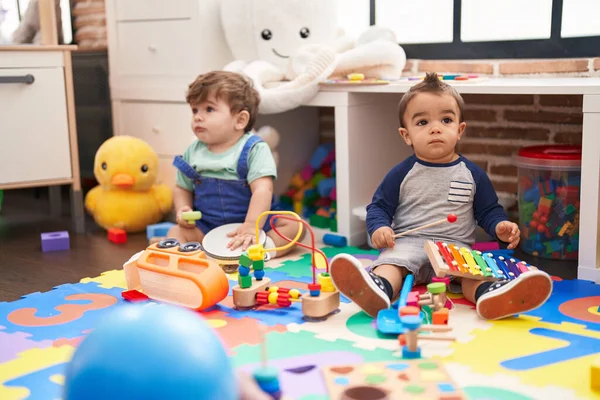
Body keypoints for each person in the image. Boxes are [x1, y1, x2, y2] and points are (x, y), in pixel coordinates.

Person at [330, 72, 552, 320]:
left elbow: (488, 211)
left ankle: (490, 295)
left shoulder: (472, 174)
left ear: (460, 129)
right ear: (406, 135)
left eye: (446, 120)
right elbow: (379, 207)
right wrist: (379, 227)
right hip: (407, 244)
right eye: (423, 123)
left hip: (454, 248)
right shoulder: (401, 173)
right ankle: (377, 288)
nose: (435, 129)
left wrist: (499, 226)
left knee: (474, 274)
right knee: (390, 265)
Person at [167, 71, 301, 256]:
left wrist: (251, 225)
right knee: (174, 233)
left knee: (294, 226)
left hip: (257, 222)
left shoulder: (254, 149)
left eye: (209, 109)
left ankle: (265, 249)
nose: (198, 117)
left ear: (240, 120)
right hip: (207, 225)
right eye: (195, 110)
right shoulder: (193, 151)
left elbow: (263, 190)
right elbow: (182, 188)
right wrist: (183, 208)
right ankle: (195, 257)